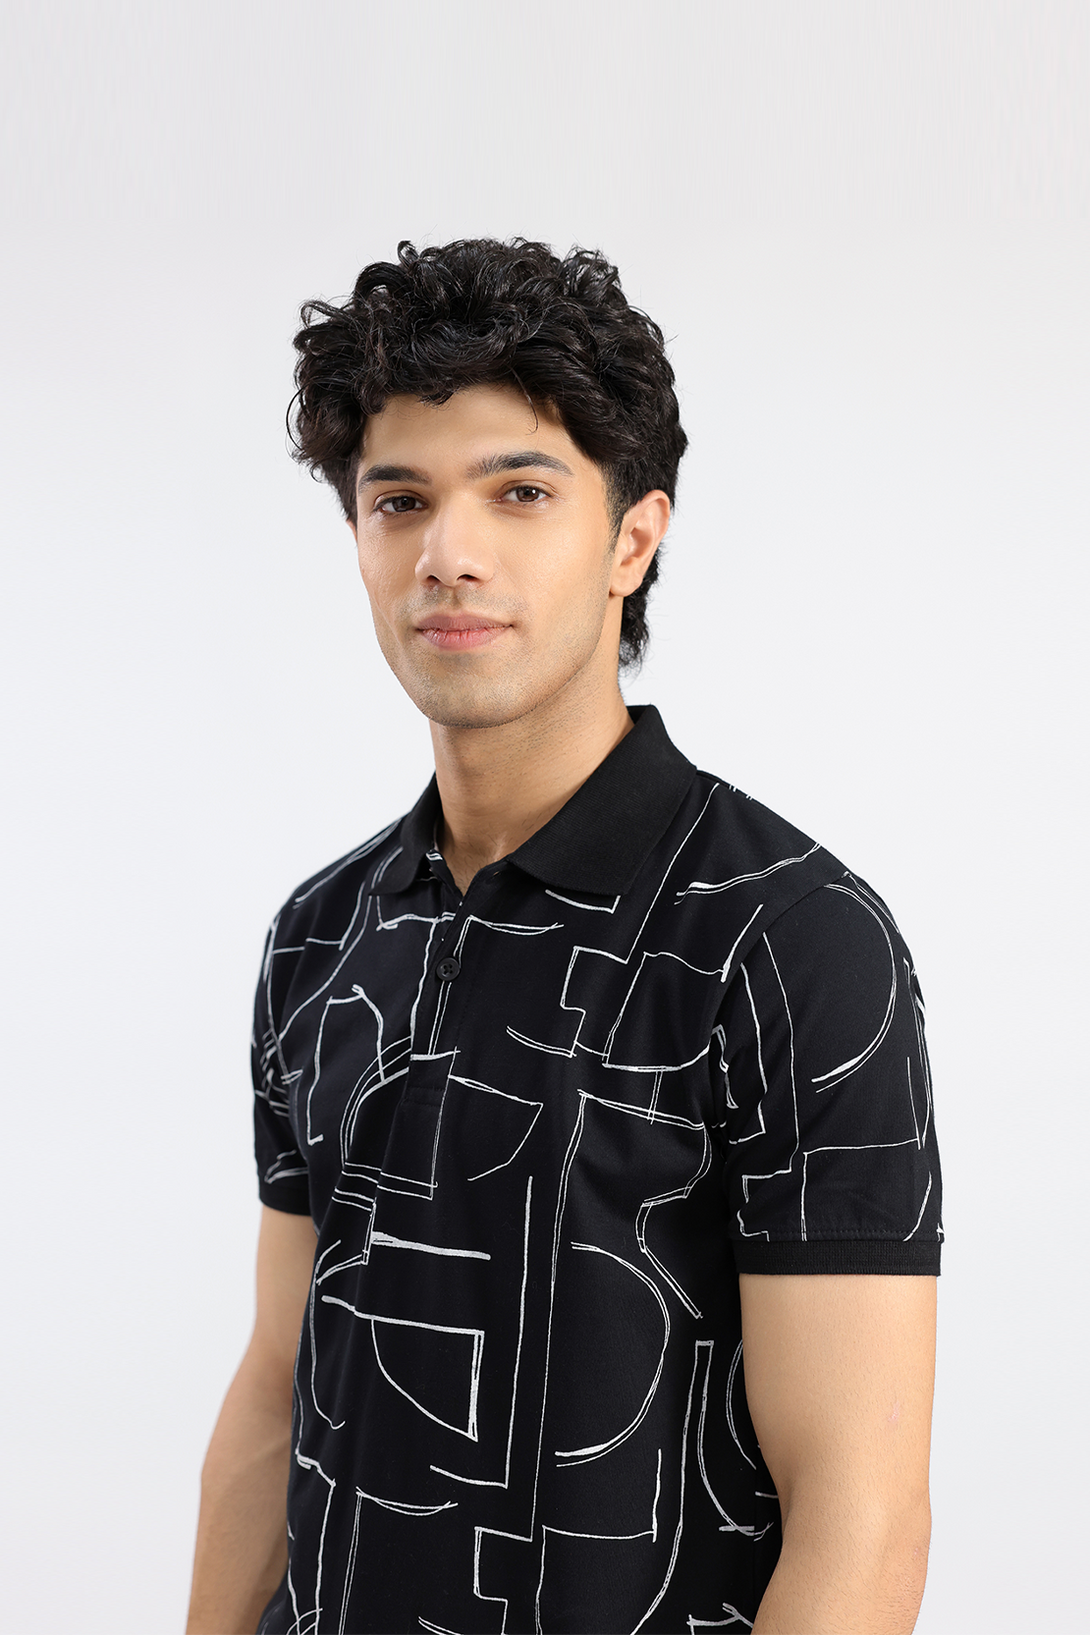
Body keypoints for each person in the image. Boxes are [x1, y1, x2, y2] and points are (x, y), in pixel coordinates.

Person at [185, 239, 942, 1635]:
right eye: (399, 500)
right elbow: (278, 1385)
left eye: (519, 492)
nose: (448, 554)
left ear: (632, 538)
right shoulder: (321, 936)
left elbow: (862, 1507)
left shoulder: (788, 938)